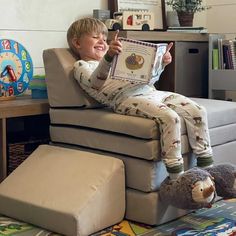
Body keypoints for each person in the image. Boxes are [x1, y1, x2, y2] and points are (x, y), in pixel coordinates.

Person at [67, 17, 236, 209]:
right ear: (77, 42)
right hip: (125, 99)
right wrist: (108, 58)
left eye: (104, 39)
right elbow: (95, 83)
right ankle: (176, 178)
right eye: (95, 37)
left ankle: (207, 168)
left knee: (197, 110)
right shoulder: (81, 66)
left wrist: (161, 64)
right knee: (169, 118)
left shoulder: (116, 59)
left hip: (150, 91)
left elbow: (147, 78)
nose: (102, 42)